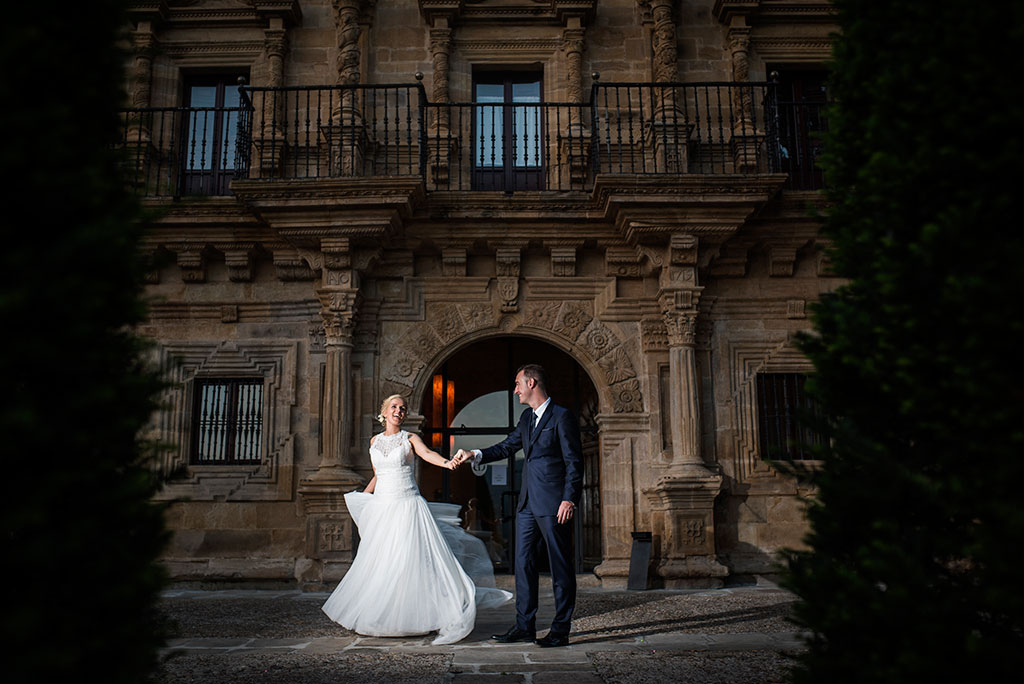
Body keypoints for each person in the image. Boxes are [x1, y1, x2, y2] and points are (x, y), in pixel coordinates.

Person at [322, 394, 511, 645]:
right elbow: (379, 475)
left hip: (407, 506)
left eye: (402, 408)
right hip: (382, 507)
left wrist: (447, 463)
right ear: (384, 412)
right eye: (394, 407)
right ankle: (383, 615)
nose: (399, 411)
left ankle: (417, 616)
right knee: (383, 561)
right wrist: (363, 498)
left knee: (408, 559)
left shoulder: (410, 439)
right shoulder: (374, 441)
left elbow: (428, 453)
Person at [452, 364, 583, 647]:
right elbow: (507, 446)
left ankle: (560, 630)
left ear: (532, 383)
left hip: (553, 503)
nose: (515, 390)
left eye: (517, 384)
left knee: (560, 566)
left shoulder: (562, 417)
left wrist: (569, 498)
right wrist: (474, 453)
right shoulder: (526, 419)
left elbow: (574, 462)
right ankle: (524, 626)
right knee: (523, 564)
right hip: (526, 505)